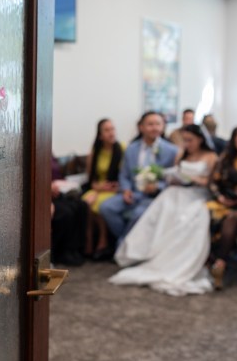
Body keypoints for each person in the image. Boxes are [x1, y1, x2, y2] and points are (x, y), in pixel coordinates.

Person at [109, 124, 218, 296]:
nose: (187, 144)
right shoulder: (182, 154)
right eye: (184, 140)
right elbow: (172, 175)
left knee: (188, 217)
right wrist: (173, 178)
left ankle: (177, 259)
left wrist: (194, 179)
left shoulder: (211, 157)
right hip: (176, 192)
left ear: (200, 139)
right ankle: (148, 253)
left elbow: (212, 183)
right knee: (165, 209)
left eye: (190, 140)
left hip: (197, 195)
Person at [100, 111, 178, 244]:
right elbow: (124, 174)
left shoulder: (172, 151)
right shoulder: (131, 148)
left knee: (138, 215)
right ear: (141, 127)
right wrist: (126, 190)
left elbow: (173, 180)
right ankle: (126, 242)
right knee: (106, 207)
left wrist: (157, 186)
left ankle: (122, 244)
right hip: (132, 193)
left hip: (154, 197)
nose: (154, 127)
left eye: (158, 124)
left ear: (163, 126)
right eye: (150, 124)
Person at [206, 125, 237, 290]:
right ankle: (205, 259)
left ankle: (220, 264)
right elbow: (213, 182)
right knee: (201, 214)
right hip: (224, 201)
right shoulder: (226, 158)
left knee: (231, 219)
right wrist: (221, 197)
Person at [81, 119, 124, 260]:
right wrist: (98, 188)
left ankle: (102, 240)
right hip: (99, 188)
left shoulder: (122, 149)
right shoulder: (95, 152)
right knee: (86, 201)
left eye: (112, 129)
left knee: (99, 203)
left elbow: (124, 176)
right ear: (100, 135)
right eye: (107, 130)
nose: (111, 132)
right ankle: (88, 241)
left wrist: (109, 188)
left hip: (114, 189)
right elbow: (91, 180)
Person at [51, 156, 88, 266]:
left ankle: (75, 249)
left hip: (57, 191)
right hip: (44, 195)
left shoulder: (50, 155)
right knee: (66, 212)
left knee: (81, 206)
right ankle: (62, 251)